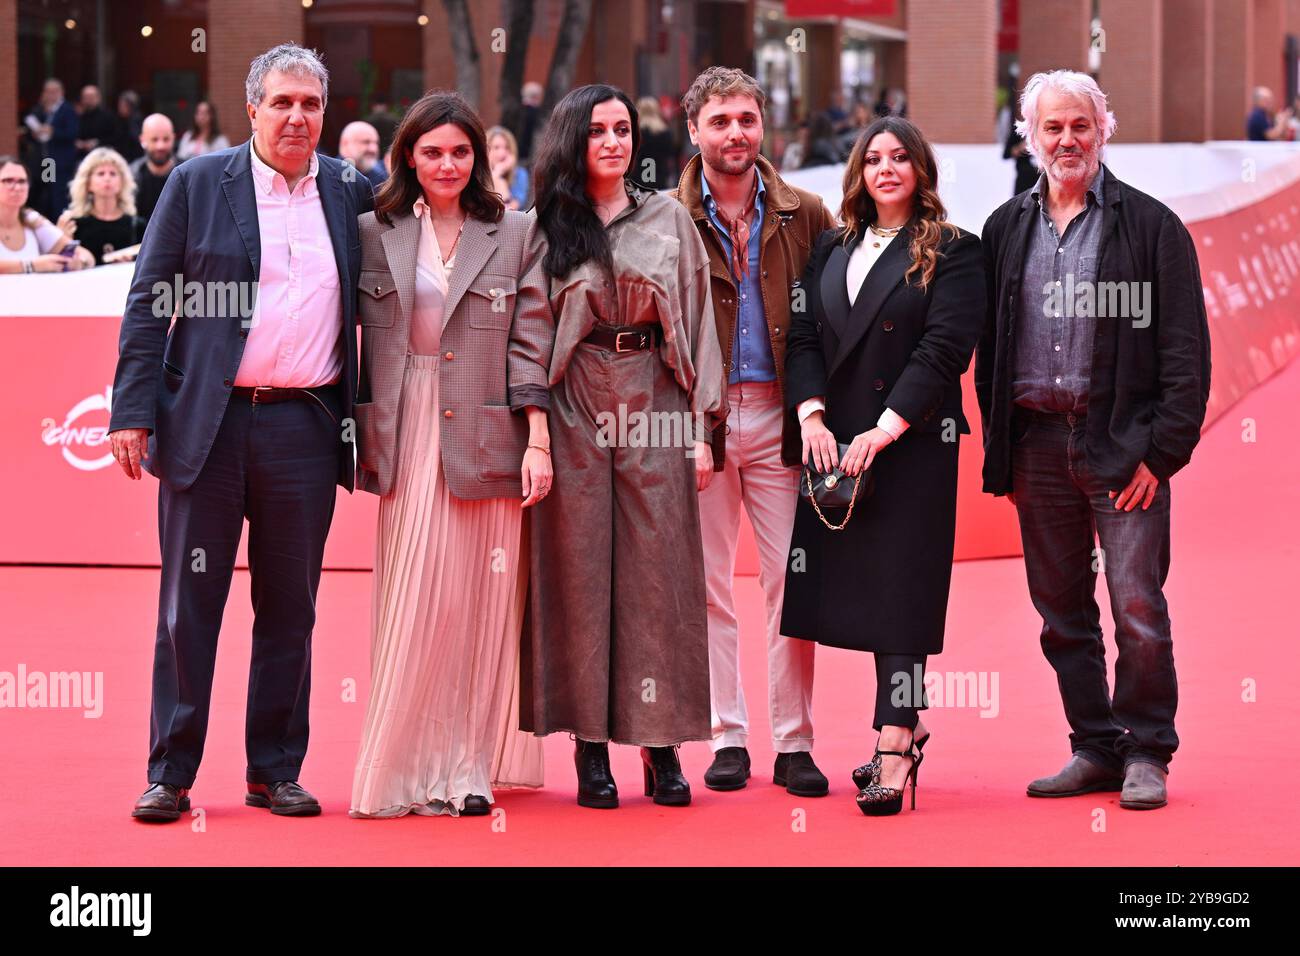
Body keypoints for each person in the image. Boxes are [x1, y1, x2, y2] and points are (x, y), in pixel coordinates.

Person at [109, 43, 374, 823]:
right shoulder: (196, 184)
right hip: (208, 428)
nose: (298, 117)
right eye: (284, 102)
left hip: (306, 425)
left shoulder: (351, 191)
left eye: (312, 105)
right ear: (252, 108)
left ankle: (274, 769)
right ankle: (171, 772)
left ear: (327, 114)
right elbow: (149, 299)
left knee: (292, 608)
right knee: (189, 606)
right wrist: (131, 408)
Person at [977, 70, 1211, 811]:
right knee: (1060, 614)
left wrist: (1161, 455)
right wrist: (1003, 448)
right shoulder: (1004, 228)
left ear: (1103, 129)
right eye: (1052, 127)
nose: (1067, 139)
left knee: (1137, 606)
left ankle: (1147, 750)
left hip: (1122, 450)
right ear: (1031, 137)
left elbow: (1185, 354)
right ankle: (1095, 747)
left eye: (1080, 124)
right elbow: (990, 346)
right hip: (1038, 448)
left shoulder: (1151, 227)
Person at [349, 91, 553, 819]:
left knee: (478, 604)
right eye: (432, 151)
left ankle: (468, 762)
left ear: (480, 158)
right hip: (406, 433)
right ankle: (403, 761)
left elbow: (533, 343)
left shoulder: (516, 231)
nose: (446, 164)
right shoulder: (373, 230)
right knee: (418, 600)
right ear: (409, 155)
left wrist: (537, 437)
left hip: (489, 435)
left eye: (460, 151)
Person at [521, 84, 725, 809]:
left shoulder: (667, 216)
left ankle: (663, 746)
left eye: (624, 129)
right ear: (574, 140)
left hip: (656, 396)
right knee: (577, 569)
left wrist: (703, 429)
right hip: (575, 393)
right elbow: (529, 335)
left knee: (659, 570)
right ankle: (590, 747)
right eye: (600, 131)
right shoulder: (544, 224)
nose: (615, 142)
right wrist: (535, 430)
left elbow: (699, 321)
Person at [782, 115, 985, 816]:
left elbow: (944, 349)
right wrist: (811, 414)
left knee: (904, 600)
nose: (887, 168)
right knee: (865, 601)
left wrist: (886, 427)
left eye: (901, 157)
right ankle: (905, 724)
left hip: (915, 444)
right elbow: (803, 332)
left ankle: (895, 743)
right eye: (874, 159)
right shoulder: (830, 246)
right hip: (837, 447)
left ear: (921, 170)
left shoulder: (956, 251)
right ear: (859, 172)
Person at [670, 67, 837, 797]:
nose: (735, 133)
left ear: (762, 125)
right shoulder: (665, 217)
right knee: (707, 587)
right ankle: (726, 734)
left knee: (789, 581)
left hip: (782, 413)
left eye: (746, 118)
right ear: (694, 131)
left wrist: (824, 410)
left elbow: (835, 318)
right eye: (720, 121)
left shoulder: (808, 213)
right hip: (700, 418)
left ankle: (794, 741)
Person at [0, 154, 94, 273]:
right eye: (8, 181)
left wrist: (79, 262)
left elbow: (87, 256)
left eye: (22, 181)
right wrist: (31, 265)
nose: (17, 187)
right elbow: (36, 265)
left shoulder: (31, 219)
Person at [57, 148, 143, 264]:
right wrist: (62, 240)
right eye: (100, 174)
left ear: (122, 182)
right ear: (88, 183)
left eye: (113, 174)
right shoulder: (73, 224)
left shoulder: (137, 226)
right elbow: (61, 263)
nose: (107, 178)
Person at [24, 79, 79, 219]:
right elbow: (30, 124)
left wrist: (53, 131)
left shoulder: (67, 110)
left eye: (53, 92)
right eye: (47, 92)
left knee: (58, 195)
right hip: (46, 161)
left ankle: (59, 223)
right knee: (46, 193)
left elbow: (72, 134)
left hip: (60, 161)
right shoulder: (42, 109)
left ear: (61, 93)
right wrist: (35, 133)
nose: (50, 95)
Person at [129, 113, 179, 227]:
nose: (160, 146)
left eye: (166, 139)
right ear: (142, 140)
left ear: (173, 138)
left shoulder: (188, 175)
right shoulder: (130, 176)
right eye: (154, 139)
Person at [636, 96, 678, 190]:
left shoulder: (635, 132)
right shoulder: (665, 132)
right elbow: (670, 156)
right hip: (659, 176)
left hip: (638, 177)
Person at [485, 125, 529, 209]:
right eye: (496, 147)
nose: (502, 153)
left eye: (507, 148)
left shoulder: (520, 174)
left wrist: (498, 178)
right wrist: (495, 175)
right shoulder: (477, 172)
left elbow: (510, 210)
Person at [337, 120, 387, 191]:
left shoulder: (379, 176)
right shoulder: (331, 174)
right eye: (366, 142)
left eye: (376, 143)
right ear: (346, 143)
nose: (373, 149)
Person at [75, 85, 116, 158]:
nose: (88, 100)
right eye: (86, 97)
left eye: (91, 97)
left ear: (98, 98)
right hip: (80, 157)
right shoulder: (77, 116)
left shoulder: (108, 116)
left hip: (102, 156)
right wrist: (78, 143)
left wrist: (96, 142)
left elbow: (115, 137)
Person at [109, 91, 144, 163]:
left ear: (130, 107)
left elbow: (134, 141)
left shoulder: (136, 121)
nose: (119, 107)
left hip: (133, 158)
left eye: (122, 105)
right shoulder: (119, 120)